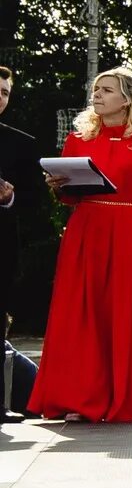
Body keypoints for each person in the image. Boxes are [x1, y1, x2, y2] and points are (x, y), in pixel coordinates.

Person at [27, 67, 132, 423]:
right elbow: (70, 197)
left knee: (124, 314)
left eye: (106, 90)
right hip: (85, 231)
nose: (96, 95)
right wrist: (59, 187)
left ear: (127, 99)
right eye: (96, 90)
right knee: (81, 313)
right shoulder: (77, 140)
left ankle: (126, 398)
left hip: (130, 233)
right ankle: (80, 399)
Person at [0, 65, 45, 419]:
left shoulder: (21, 143)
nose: (0, 98)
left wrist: (9, 198)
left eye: (4, 93)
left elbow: (36, 203)